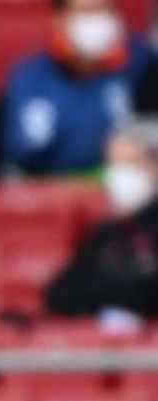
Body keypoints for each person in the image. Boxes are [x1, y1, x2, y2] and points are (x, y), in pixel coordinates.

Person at [0, 0, 153, 178]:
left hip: (118, 197)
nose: (97, 20)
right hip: (40, 199)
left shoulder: (140, 66)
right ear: (60, 18)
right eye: (87, 11)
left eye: (104, 10)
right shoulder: (28, 80)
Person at [45, 119, 158, 331]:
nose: (119, 175)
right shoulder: (107, 232)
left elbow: (144, 292)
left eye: (130, 164)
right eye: (114, 164)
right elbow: (59, 293)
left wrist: (114, 289)